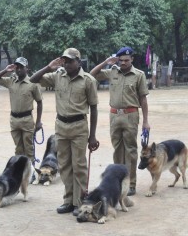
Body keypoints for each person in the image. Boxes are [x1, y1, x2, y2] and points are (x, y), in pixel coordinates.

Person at [30, 48, 98, 216]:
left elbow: (94, 108)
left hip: (79, 126)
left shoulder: (88, 80)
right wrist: (48, 67)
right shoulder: (58, 76)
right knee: (65, 165)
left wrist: (93, 136)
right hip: (61, 126)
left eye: (70, 61)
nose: (66, 64)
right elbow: (33, 79)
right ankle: (68, 200)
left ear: (78, 62)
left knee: (79, 165)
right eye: (64, 61)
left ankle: (79, 202)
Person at [90, 46, 149, 196]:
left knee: (131, 150)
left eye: (126, 60)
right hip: (114, 115)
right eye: (121, 60)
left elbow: (143, 98)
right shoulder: (112, 71)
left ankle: (131, 183)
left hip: (131, 115)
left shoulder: (139, 75)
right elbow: (92, 74)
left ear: (132, 59)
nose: (123, 63)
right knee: (117, 150)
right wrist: (106, 62)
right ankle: (118, 180)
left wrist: (146, 121)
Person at [0, 57, 43, 161]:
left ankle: (30, 172)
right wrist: (6, 70)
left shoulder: (33, 83)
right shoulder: (11, 81)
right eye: (17, 67)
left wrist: (38, 122)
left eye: (21, 67)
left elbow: (39, 102)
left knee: (29, 148)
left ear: (27, 68)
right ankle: (20, 171)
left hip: (27, 119)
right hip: (14, 119)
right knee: (18, 148)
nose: (18, 69)